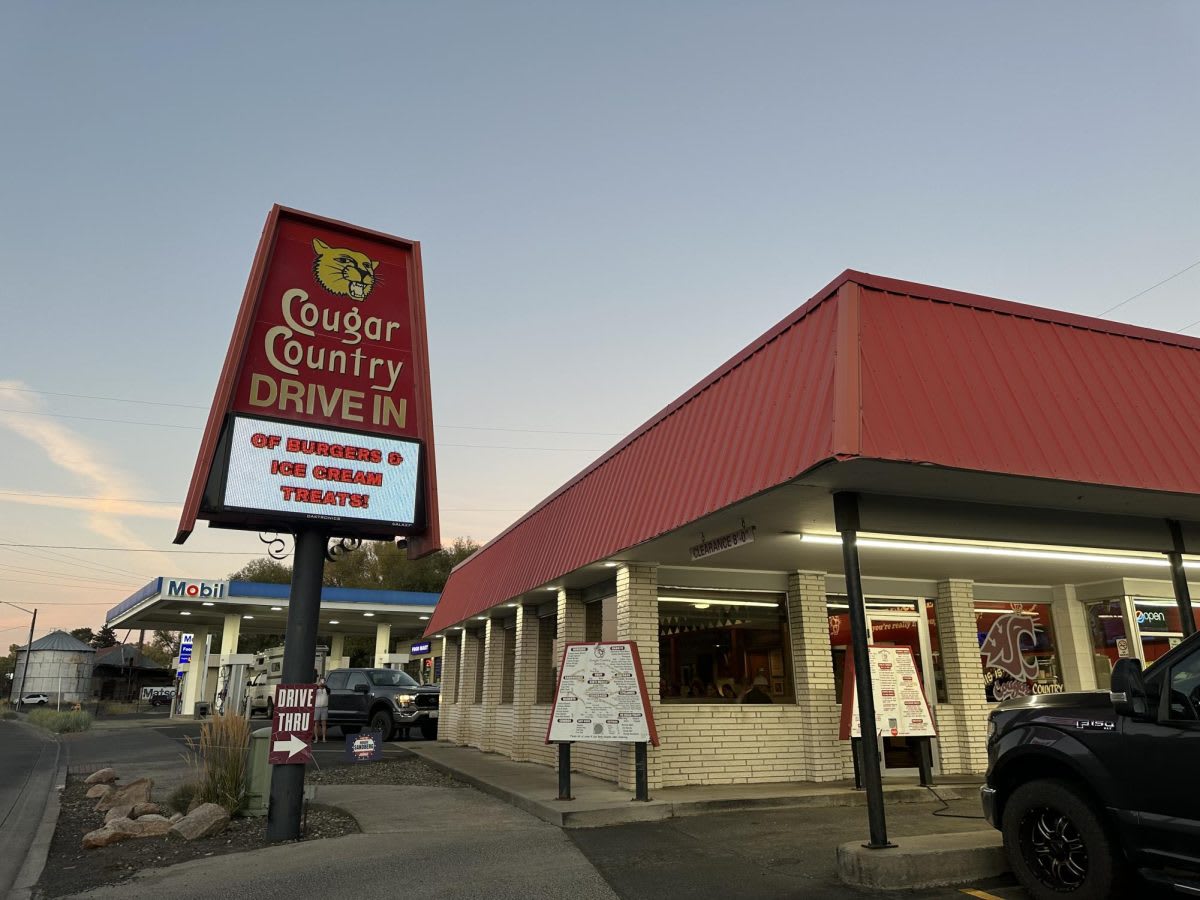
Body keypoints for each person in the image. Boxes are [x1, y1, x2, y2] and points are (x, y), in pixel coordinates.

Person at [314, 676, 330, 741]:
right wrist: (318, 686)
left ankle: (324, 738)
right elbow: (313, 691)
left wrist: (324, 685)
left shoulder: (327, 689)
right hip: (317, 707)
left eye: (323, 681)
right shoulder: (316, 689)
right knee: (316, 723)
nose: (322, 682)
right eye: (321, 681)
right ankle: (316, 738)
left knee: (324, 723)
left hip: (324, 708)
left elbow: (328, 690)